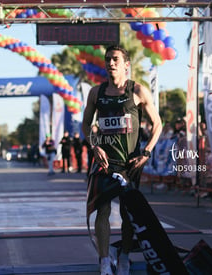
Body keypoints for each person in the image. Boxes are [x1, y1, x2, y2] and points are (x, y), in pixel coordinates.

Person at [82, 45, 162, 275]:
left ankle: (124, 255)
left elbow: (157, 124)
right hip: (105, 162)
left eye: (115, 59)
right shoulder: (96, 93)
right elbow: (86, 124)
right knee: (102, 210)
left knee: (129, 214)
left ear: (126, 64)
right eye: (107, 59)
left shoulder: (137, 91)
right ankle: (105, 260)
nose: (110, 63)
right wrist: (94, 145)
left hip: (130, 163)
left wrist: (146, 152)